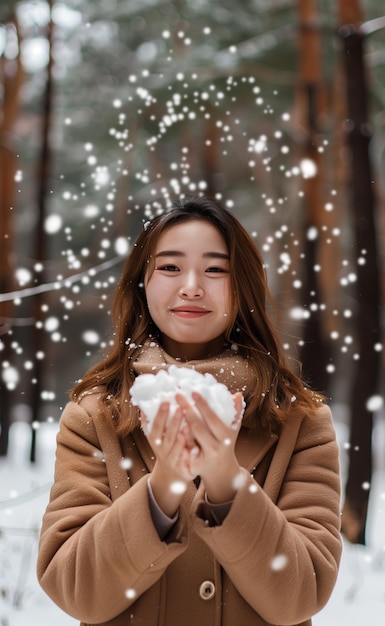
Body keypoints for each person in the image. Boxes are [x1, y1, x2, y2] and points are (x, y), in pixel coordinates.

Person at [37, 195, 342, 626]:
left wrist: (224, 477)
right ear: (141, 283)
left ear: (244, 286)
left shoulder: (301, 423)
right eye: (170, 267)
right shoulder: (95, 416)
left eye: (216, 268)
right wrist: (164, 483)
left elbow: (301, 595)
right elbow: (77, 591)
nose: (192, 286)